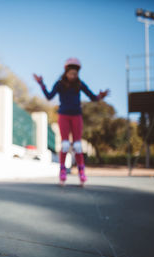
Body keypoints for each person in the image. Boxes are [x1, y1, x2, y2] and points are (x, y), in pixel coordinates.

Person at [33, 58, 108, 186]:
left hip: (76, 116)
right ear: (66, 73)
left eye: (75, 73)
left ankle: (81, 172)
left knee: (78, 146)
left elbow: (92, 97)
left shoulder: (80, 84)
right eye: (71, 73)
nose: (73, 76)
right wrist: (41, 84)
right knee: (65, 145)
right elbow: (49, 96)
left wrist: (100, 96)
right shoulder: (59, 84)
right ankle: (62, 172)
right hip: (63, 116)